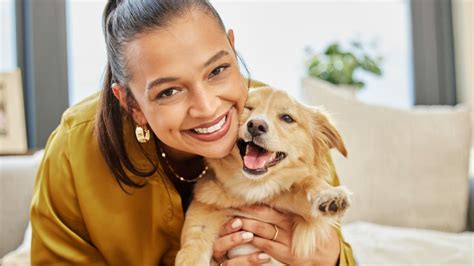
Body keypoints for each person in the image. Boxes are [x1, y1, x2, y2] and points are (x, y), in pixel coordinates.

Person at [30, 0, 355, 265]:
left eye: (217, 70)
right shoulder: (74, 148)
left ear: (232, 47)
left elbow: (339, 249)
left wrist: (332, 258)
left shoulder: (289, 133)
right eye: (169, 91)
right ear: (132, 105)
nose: (207, 107)